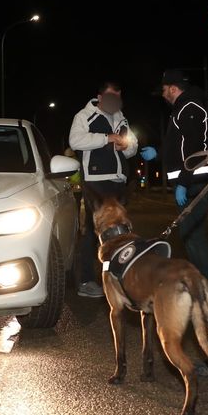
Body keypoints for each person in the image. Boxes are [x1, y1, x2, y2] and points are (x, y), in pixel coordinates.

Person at [138, 69, 208, 287]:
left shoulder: (189, 107)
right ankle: (204, 283)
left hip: (194, 183)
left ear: (173, 88)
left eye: (164, 90)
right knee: (191, 234)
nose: (163, 95)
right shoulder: (182, 108)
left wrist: (183, 182)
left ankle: (206, 285)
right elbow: (178, 147)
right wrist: (159, 153)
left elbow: (194, 148)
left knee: (192, 234)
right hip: (190, 182)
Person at [69, 81, 138, 298]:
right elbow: (75, 140)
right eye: (110, 97)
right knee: (93, 231)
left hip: (119, 181)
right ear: (100, 97)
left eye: (117, 97)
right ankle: (87, 281)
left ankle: (119, 277)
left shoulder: (121, 117)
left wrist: (127, 146)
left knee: (121, 231)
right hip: (96, 182)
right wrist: (106, 138)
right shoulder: (84, 116)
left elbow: (133, 145)